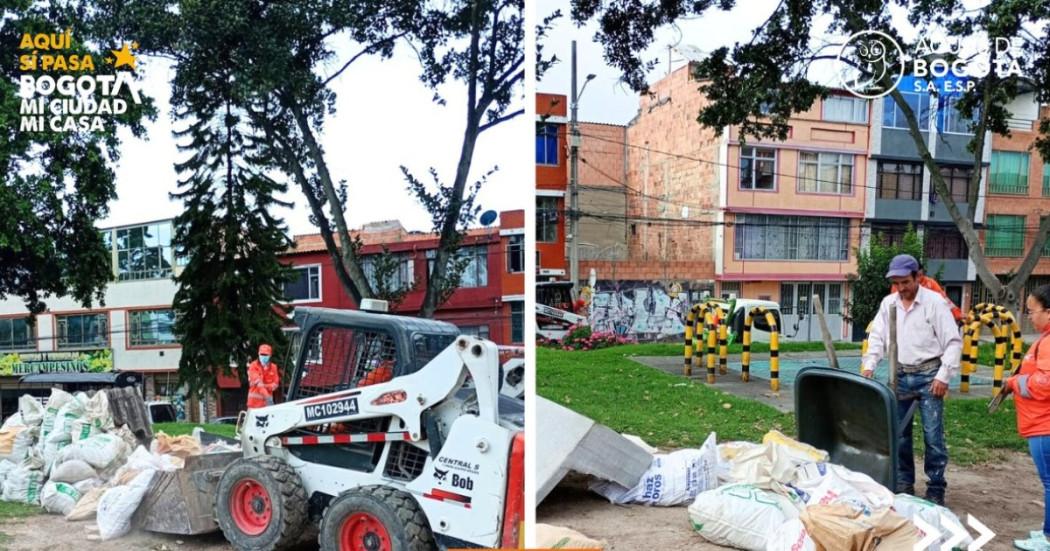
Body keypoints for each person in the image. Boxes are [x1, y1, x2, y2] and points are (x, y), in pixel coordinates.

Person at [862, 254, 962, 505]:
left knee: (933, 435)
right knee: (899, 433)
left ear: (918, 276)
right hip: (900, 375)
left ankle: (936, 487)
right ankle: (904, 482)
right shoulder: (889, 304)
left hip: (930, 375)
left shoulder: (935, 303)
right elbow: (877, 337)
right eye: (897, 283)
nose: (901, 288)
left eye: (906, 282)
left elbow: (952, 342)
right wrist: (869, 365)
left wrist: (943, 376)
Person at [1004, 285, 1050, 551]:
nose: (1029, 316)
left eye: (1032, 311)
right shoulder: (1044, 339)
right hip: (1039, 422)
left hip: (1043, 424)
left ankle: (1047, 538)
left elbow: (1045, 382)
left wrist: (1016, 381)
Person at [889, 262, 964, 324]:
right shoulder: (899, 285)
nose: (919, 279)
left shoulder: (930, 283)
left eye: (920, 275)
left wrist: (957, 313)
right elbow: (895, 305)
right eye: (917, 276)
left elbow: (944, 299)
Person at [247, 343, 280, 409]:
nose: (263, 356)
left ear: (270, 355)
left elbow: (275, 384)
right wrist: (267, 396)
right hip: (254, 405)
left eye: (266, 355)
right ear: (258, 354)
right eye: (262, 354)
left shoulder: (273, 367)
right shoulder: (253, 366)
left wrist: (264, 385)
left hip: (267, 405)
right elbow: (258, 383)